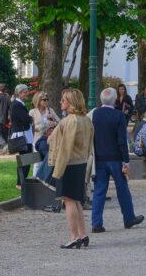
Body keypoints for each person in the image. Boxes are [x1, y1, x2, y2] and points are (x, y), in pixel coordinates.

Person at [91, 87, 144, 233]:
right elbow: (122, 140)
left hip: (99, 157)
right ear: (115, 100)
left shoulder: (94, 114)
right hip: (115, 158)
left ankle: (96, 223)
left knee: (99, 190)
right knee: (122, 188)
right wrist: (126, 161)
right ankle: (128, 218)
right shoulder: (118, 115)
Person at [48, 88, 94, 249]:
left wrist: (57, 170)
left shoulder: (71, 121)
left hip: (69, 164)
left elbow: (65, 148)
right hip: (80, 162)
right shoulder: (85, 120)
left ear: (71, 102)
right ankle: (82, 234)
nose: (61, 102)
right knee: (76, 200)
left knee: (69, 201)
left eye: (63, 100)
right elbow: (88, 145)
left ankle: (74, 236)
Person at [9, 84, 34, 187]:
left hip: (24, 133)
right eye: (25, 92)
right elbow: (26, 119)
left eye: (27, 91)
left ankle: (23, 180)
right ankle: (20, 182)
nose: (27, 94)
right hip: (21, 134)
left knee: (26, 159)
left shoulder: (19, 104)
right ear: (19, 93)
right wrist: (30, 118)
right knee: (25, 159)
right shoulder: (16, 105)